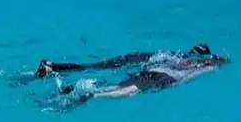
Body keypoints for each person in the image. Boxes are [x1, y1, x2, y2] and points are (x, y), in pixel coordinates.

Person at [50, 50, 230, 107]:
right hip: (164, 78)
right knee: (129, 92)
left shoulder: (177, 57)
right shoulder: (205, 67)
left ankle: (89, 91)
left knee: (119, 86)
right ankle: (93, 95)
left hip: (150, 72)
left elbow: (155, 59)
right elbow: (189, 76)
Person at [34, 43, 213, 80]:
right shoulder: (180, 60)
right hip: (132, 62)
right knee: (92, 69)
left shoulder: (174, 53)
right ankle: (52, 68)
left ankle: (53, 66)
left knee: (91, 66)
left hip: (131, 56)